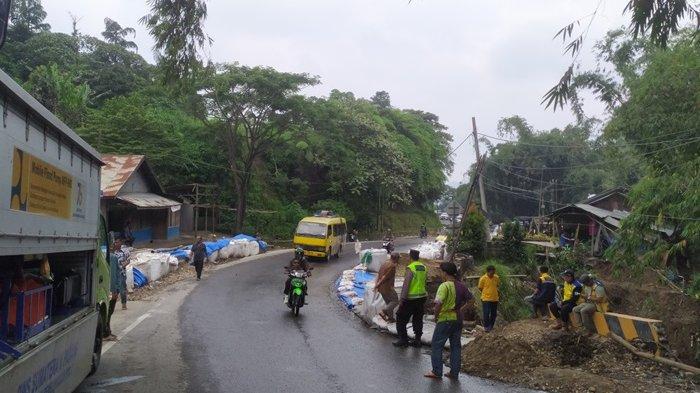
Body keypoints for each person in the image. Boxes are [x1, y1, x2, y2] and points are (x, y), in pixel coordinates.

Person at [425, 262, 473, 380]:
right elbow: (471, 300)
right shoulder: (461, 286)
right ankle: (454, 373)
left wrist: (436, 317)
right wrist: (461, 310)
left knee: (437, 345)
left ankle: (437, 371)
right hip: (458, 320)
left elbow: (438, 304)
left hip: (445, 319)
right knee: (456, 346)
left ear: (445, 273)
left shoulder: (444, 286)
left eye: (441, 271)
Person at [393, 249, 427, 347]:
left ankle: (403, 340)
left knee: (400, 318)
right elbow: (425, 282)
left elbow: (406, 284)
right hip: (422, 297)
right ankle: (417, 340)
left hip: (411, 298)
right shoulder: (424, 267)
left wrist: (402, 299)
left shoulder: (411, 267)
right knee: (418, 318)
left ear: (410, 257)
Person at [105, 239, 129, 340]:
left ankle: (107, 331)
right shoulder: (113, 257)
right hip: (114, 286)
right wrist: (114, 290)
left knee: (109, 311)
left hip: (121, 276)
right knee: (109, 311)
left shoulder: (123, 253)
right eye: (114, 243)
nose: (115, 244)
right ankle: (107, 332)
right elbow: (113, 275)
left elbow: (126, 262)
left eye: (117, 242)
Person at [376, 252, 399, 322]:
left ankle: (390, 318)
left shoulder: (384, 263)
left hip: (381, 288)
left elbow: (378, 274)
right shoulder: (392, 266)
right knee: (395, 301)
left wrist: (377, 284)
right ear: (396, 258)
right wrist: (377, 284)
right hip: (388, 287)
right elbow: (385, 277)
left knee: (389, 303)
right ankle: (383, 311)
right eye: (398, 258)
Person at [478, 265, 500, 332]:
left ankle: (491, 326)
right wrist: (486, 292)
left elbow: (497, 285)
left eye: (493, 273)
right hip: (486, 299)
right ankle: (486, 326)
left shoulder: (496, 277)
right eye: (491, 273)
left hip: (495, 298)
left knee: (494, 314)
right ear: (487, 272)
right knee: (486, 313)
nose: (492, 274)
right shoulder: (483, 278)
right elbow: (480, 288)